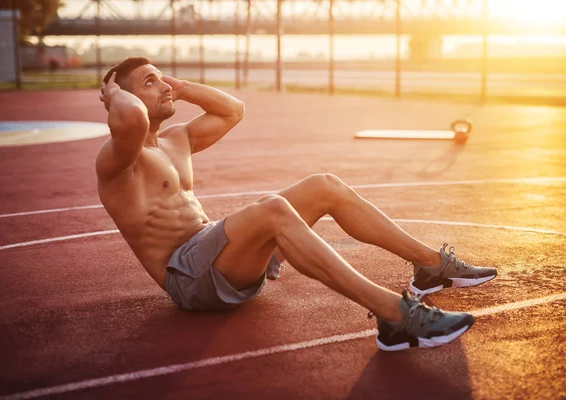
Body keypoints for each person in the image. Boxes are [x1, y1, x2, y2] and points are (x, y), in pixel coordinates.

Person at [96, 57, 497, 352]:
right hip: (189, 282)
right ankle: (395, 316)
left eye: (162, 78)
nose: (164, 86)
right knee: (272, 208)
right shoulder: (119, 160)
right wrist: (114, 89)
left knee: (324, 185)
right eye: (151, 82)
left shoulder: (177, 140)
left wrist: (172, 84)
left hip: (221, 261)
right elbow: (132, 120)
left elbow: (233, 110)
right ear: (123, 99)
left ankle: (430, 266)